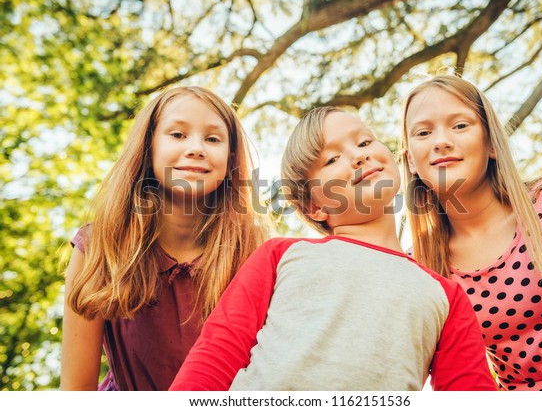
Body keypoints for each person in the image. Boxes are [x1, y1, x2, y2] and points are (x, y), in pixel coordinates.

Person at [169, 106, 496, 391]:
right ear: (314, 206)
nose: (359, 155)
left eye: (365, 141)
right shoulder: (282, 256)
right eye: (332, 159)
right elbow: (216, 356)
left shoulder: (446, 296)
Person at [400, 74, 542, 391]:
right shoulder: (417, 269)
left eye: (460, 125)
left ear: (492, 143)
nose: (440, 140)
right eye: (423, 132)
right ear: (411, 160)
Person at [60, 86, 266, 390]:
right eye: (178, 135)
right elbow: (76, 392)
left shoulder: (253, 253)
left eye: (212, 138)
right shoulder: (100, 247)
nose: (196, 148)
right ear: (149, 146)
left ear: (231, 157)